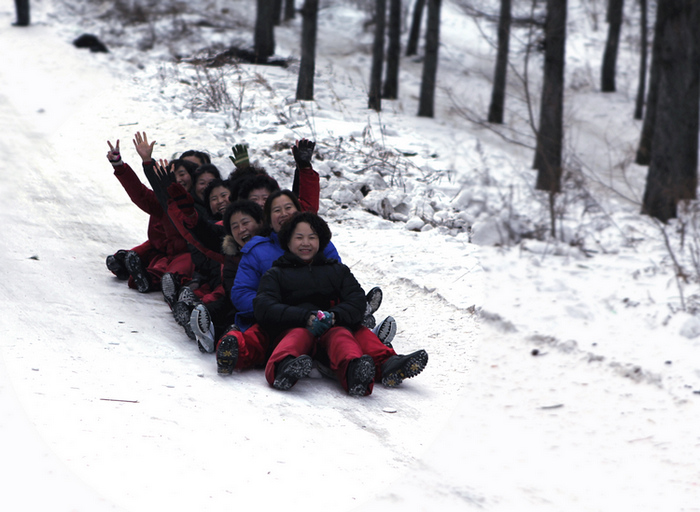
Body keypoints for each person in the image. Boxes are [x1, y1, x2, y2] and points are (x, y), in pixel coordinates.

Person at [255, 212, 378, 396]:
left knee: (342, 336)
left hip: (331, 327)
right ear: (288, 242)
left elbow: (357, 300)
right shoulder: (276, 273)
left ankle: (354, 373)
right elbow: (264, 306)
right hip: (294, 328)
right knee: (298, 336)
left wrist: (335, 316)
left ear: (321, 241)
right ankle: (283, 368)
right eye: (299, 237)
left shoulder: (337, 270)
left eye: (312, 237)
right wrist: (305, 318)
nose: (306, 243)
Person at [104, 134, 194, 292]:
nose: (179, 179)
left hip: (179, 253)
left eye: (183, 174)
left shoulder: (196, 205)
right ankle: (124, 263)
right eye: (174, 174)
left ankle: (147, 278)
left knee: (163, 265)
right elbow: (140, 193)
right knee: (140, 253)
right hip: (158, 245)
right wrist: (119, 165)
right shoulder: (162, 199)